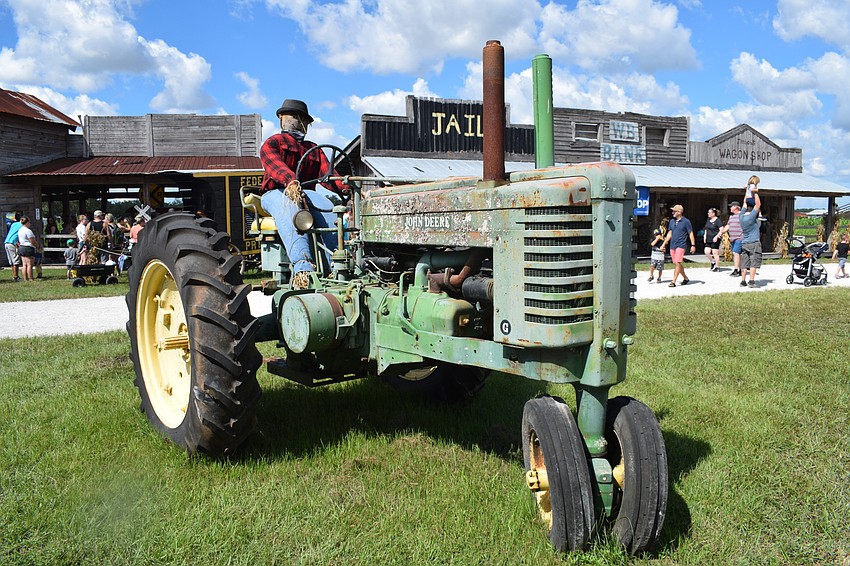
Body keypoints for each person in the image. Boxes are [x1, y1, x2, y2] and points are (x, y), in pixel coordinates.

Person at [259, 99, 349, 289]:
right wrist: (291, 182)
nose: (293, 123)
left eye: (297, 120)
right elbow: (273, 163)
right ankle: (303, 271)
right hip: (276, 192)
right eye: (289, 118)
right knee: (291, 209)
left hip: (306, 193)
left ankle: (338, 267)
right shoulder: (274, 142)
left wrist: (346, 187)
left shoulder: (312, 148)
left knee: (330, 211)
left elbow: (328, 174)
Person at [659, 204, 696, 287]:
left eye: (674, 211)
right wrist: (664, 244)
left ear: (679, 212)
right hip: (673, 244)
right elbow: (670, 233)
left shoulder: (686, 221)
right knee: (676, 263)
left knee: (678, 262)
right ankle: (685, 278)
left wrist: (693, 245)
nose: (672, 213)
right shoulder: (672, 221)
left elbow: (690, 233)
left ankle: (673, 281)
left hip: (681, 244)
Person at [739, 192, 762, 287]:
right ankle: (751, 281)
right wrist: (755, 192)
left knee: (744, 262)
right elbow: (758, 204)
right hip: (754, 242)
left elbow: (744, 202)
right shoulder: (752, 216)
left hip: (744, 242)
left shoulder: (741, 216)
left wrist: (747, 191)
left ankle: (743, 281)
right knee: (754, 261)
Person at [718, 201, 743, 276]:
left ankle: (736, 270)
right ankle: (741, 269)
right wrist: (721, 232)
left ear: (736, 207)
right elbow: (728, 226)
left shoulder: (742, 215)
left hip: (740, 237)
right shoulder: (731, 217)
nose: (730, 208)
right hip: (732, 238)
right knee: (738, 254)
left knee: (736, 253)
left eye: (731, 206)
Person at [16, 216, 39, 282]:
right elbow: (32, 240)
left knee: (24, 264)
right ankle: (31, 278)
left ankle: (25, 278)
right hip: (28, 247)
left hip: (22, 247)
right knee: (29, 265)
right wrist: (37, 246)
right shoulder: (28, 231)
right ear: (27, 222)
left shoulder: (20, 230)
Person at [4, 212, 22, 281]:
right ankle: (16, 276)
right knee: (16, 260)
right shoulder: (21, 225)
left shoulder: (13, 224)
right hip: (13, 242)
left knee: (11, 261)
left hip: (7, 242)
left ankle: (14, 275)